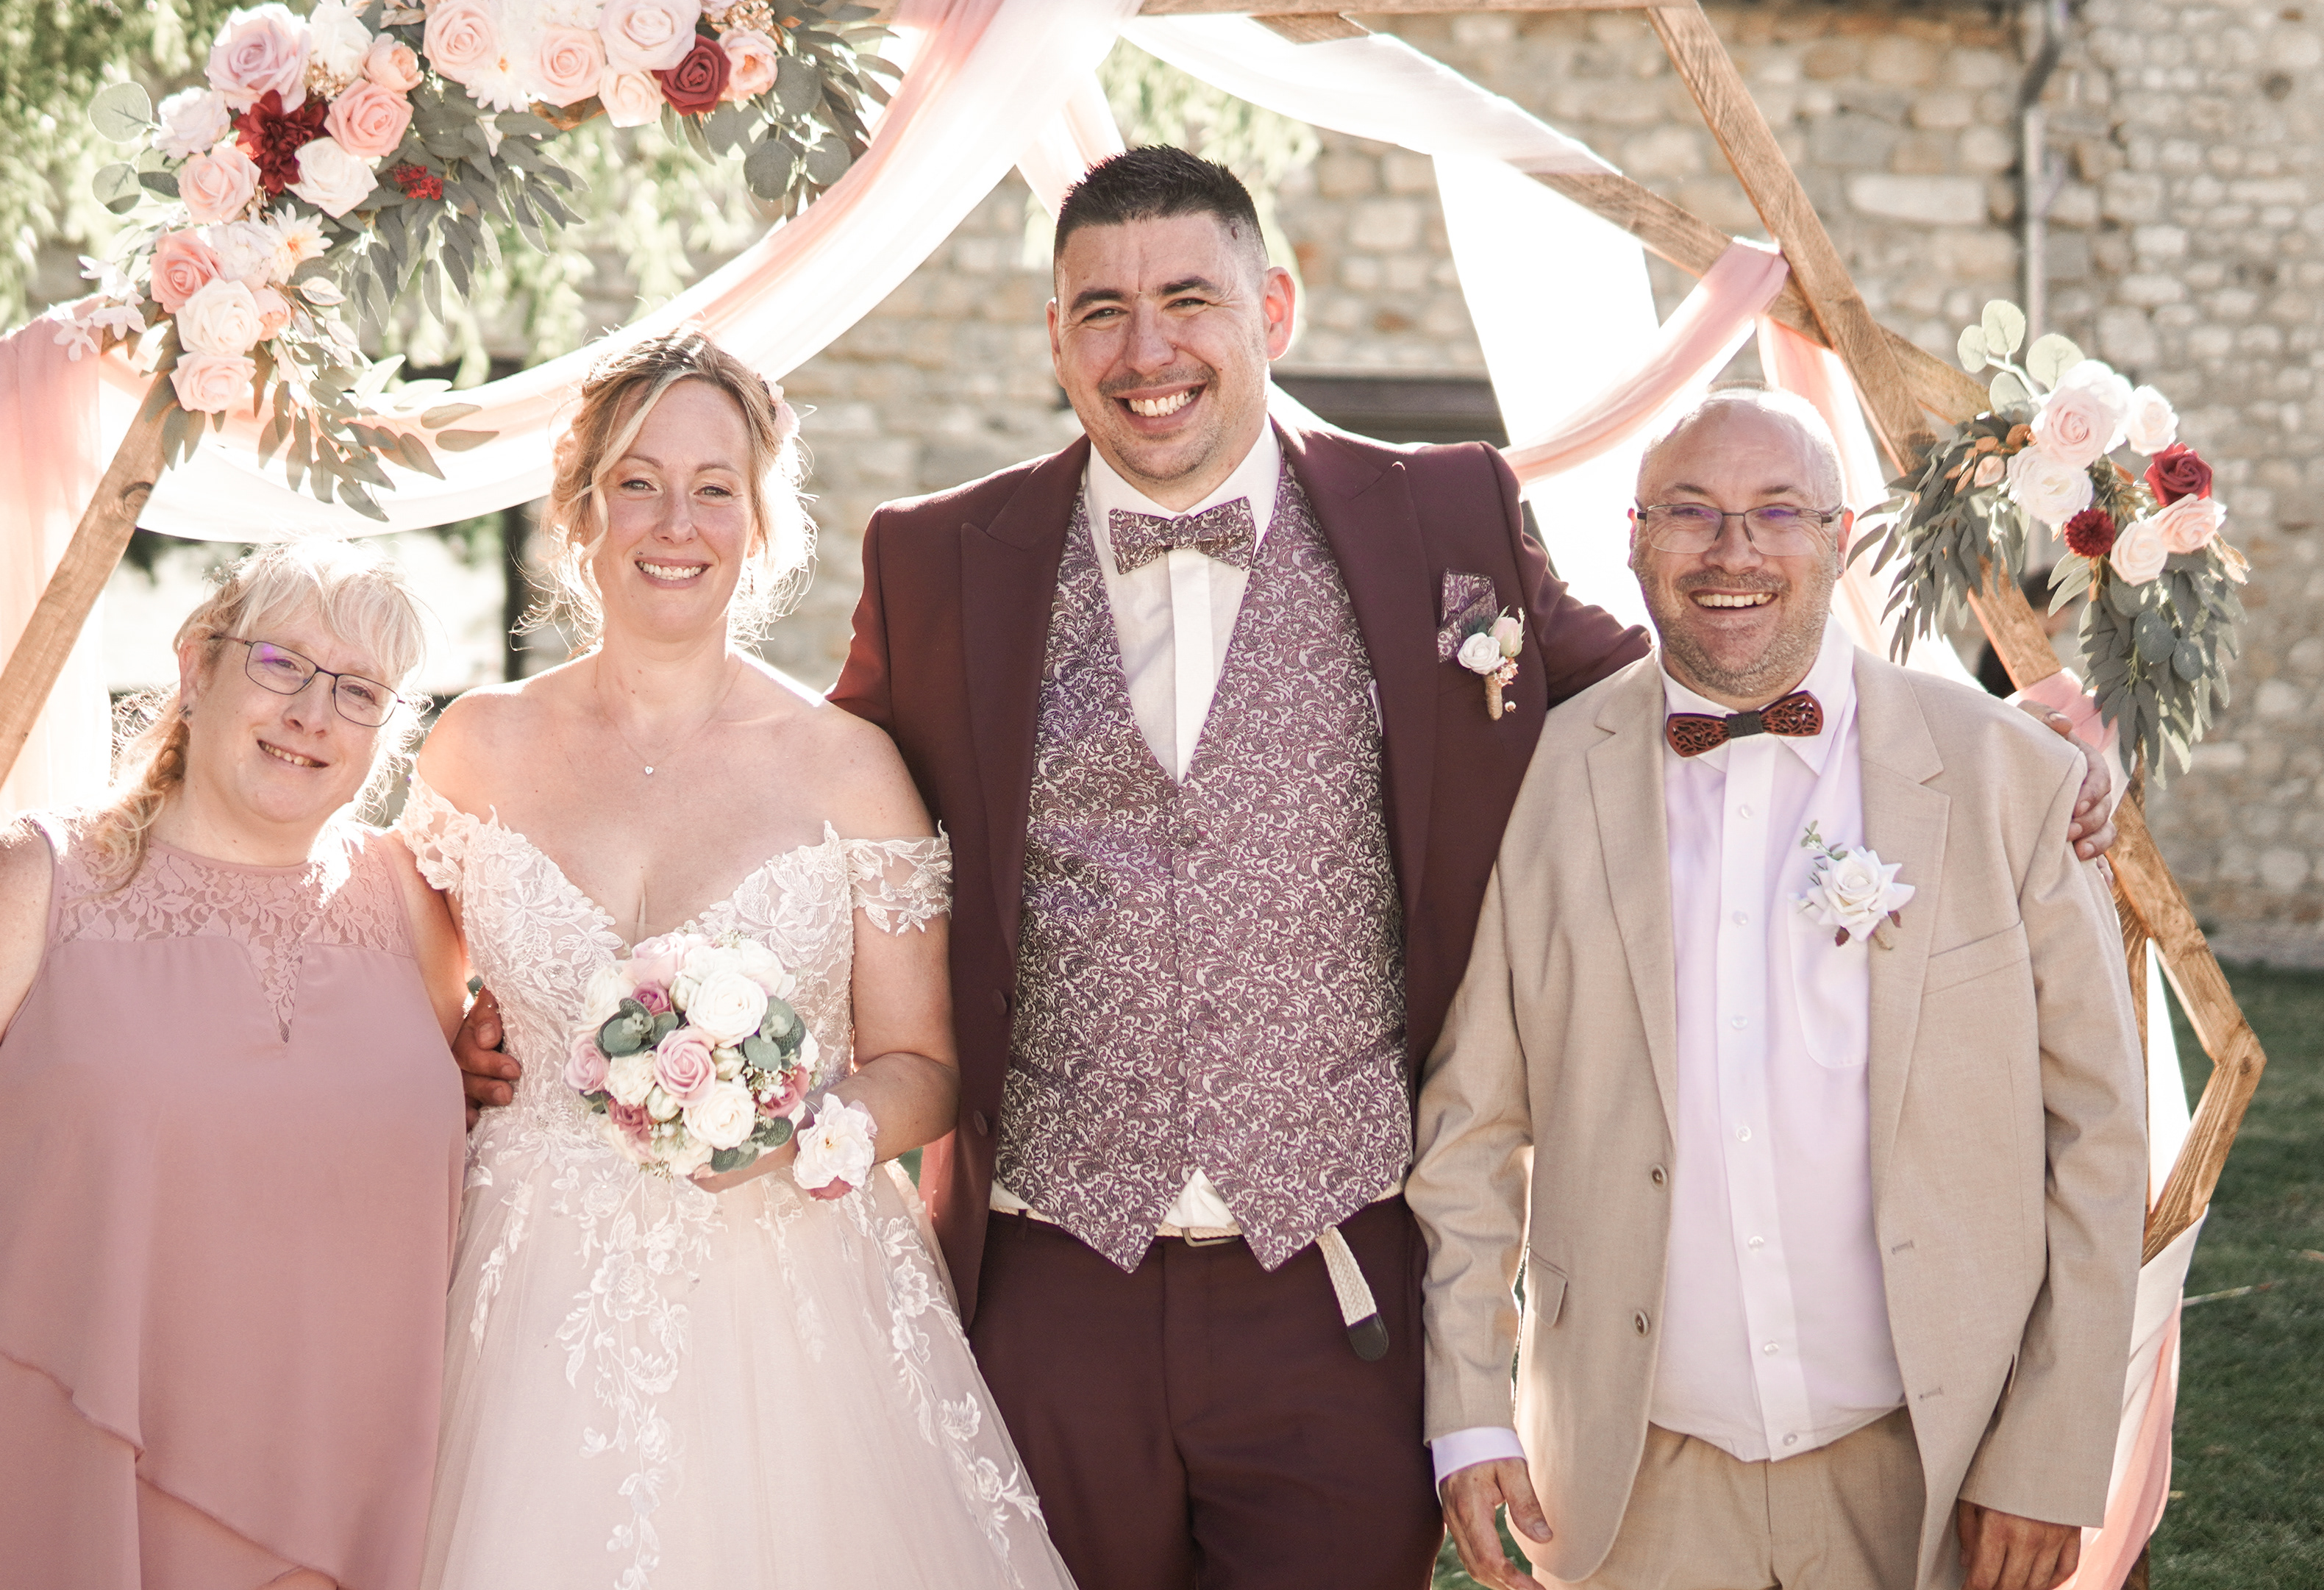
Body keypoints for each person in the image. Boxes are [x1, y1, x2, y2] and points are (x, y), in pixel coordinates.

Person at [455, 148, 2116, 1589]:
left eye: (1189, 298)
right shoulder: (940, 554)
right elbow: (807, 826)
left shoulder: (1444, 516)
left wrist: (1992, 730)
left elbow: (1676, 686)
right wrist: (565, 1002)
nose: (1148, 349)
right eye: (1102, 310)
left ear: (1277, 309)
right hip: (1047, 1280)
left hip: (1339, 1288)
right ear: (1054, 337)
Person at [1411, 391, 2147, 1590]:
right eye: (1691, 512)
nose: (1733, 550)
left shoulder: (2007, 777)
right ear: (1635, 540)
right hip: (1630, 1480)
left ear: (1840, 538)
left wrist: (2050, 1452)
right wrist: (1470, 1411)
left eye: (1778, 513)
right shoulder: (1538, 783)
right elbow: (1471, 1133)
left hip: (1932, 1467)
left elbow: (2103, 1137)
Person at [404, 332, 1080, 1589]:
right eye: (639, 483)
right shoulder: (473, 751)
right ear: (581, 509)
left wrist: (811, 1132)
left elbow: (924, 1067)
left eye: (716, 488)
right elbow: (400, 1006)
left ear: (761, 522)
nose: (678, 523)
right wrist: (450, 1048)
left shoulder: (850, 772)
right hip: (521, 1292)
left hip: (789, 1292)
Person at [0, 542, 466, 1590]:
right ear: (196, 665)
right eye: (281, 664)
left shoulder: (414, 905)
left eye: (358, 691)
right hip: (48, 1470)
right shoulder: (36, 881)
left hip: (348, 1485)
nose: (312, 715)